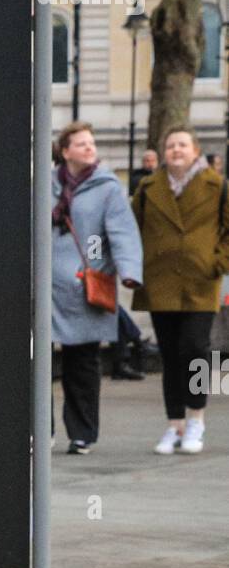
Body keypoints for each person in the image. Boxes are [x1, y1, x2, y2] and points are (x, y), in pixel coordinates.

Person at [132, 126, 229, 455]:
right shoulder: (147, 187)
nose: (176, 150)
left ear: (196, 151)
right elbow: (129, 229)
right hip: (160, 281)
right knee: (170, 355)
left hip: (200, 282)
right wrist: (124, 266)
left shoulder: (217, 186)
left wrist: (217, 262)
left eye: (183, 145)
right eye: (171, 145)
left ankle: (196, 418)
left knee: (194, 348)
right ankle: (175, 424)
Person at [52, 121, 143, 453]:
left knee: (83, 363)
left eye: (92, 143)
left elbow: (122, 231)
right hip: (45, 288)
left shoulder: (107, 187)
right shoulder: (45, 184)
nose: (89, 148)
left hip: (82, 286)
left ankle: (82, 434)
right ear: (65, 151)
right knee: (36, 362)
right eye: (81, 143)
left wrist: (129, 270)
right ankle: (40, 430)